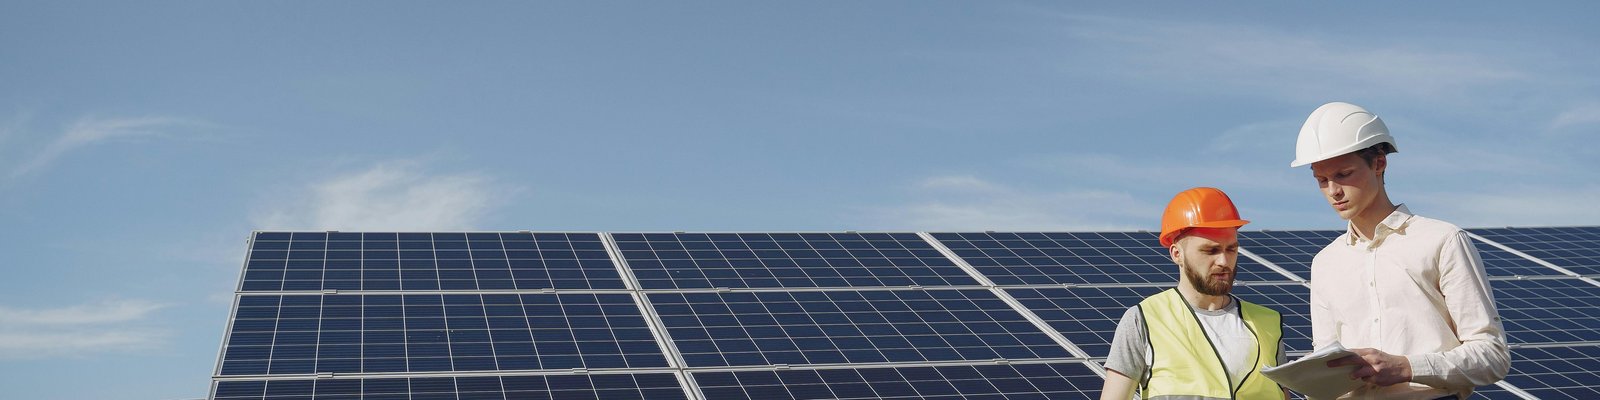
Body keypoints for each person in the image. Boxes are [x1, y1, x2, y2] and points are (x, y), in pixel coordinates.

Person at [1291, 102, 1509, 399]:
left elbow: (1492, 356)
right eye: (1322, 180)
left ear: (1379, 163)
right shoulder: (1325, 263)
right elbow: (1327, 366)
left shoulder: (1442, 240)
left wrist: (1407, 367)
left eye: (1343, 174)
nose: (1333, 191)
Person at [1101, 187, 1288, 400]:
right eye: (1210, 250)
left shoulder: (1268, 324)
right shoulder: (1144, 320)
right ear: (1177, 254)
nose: (1224, 261)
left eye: (1231, 249)